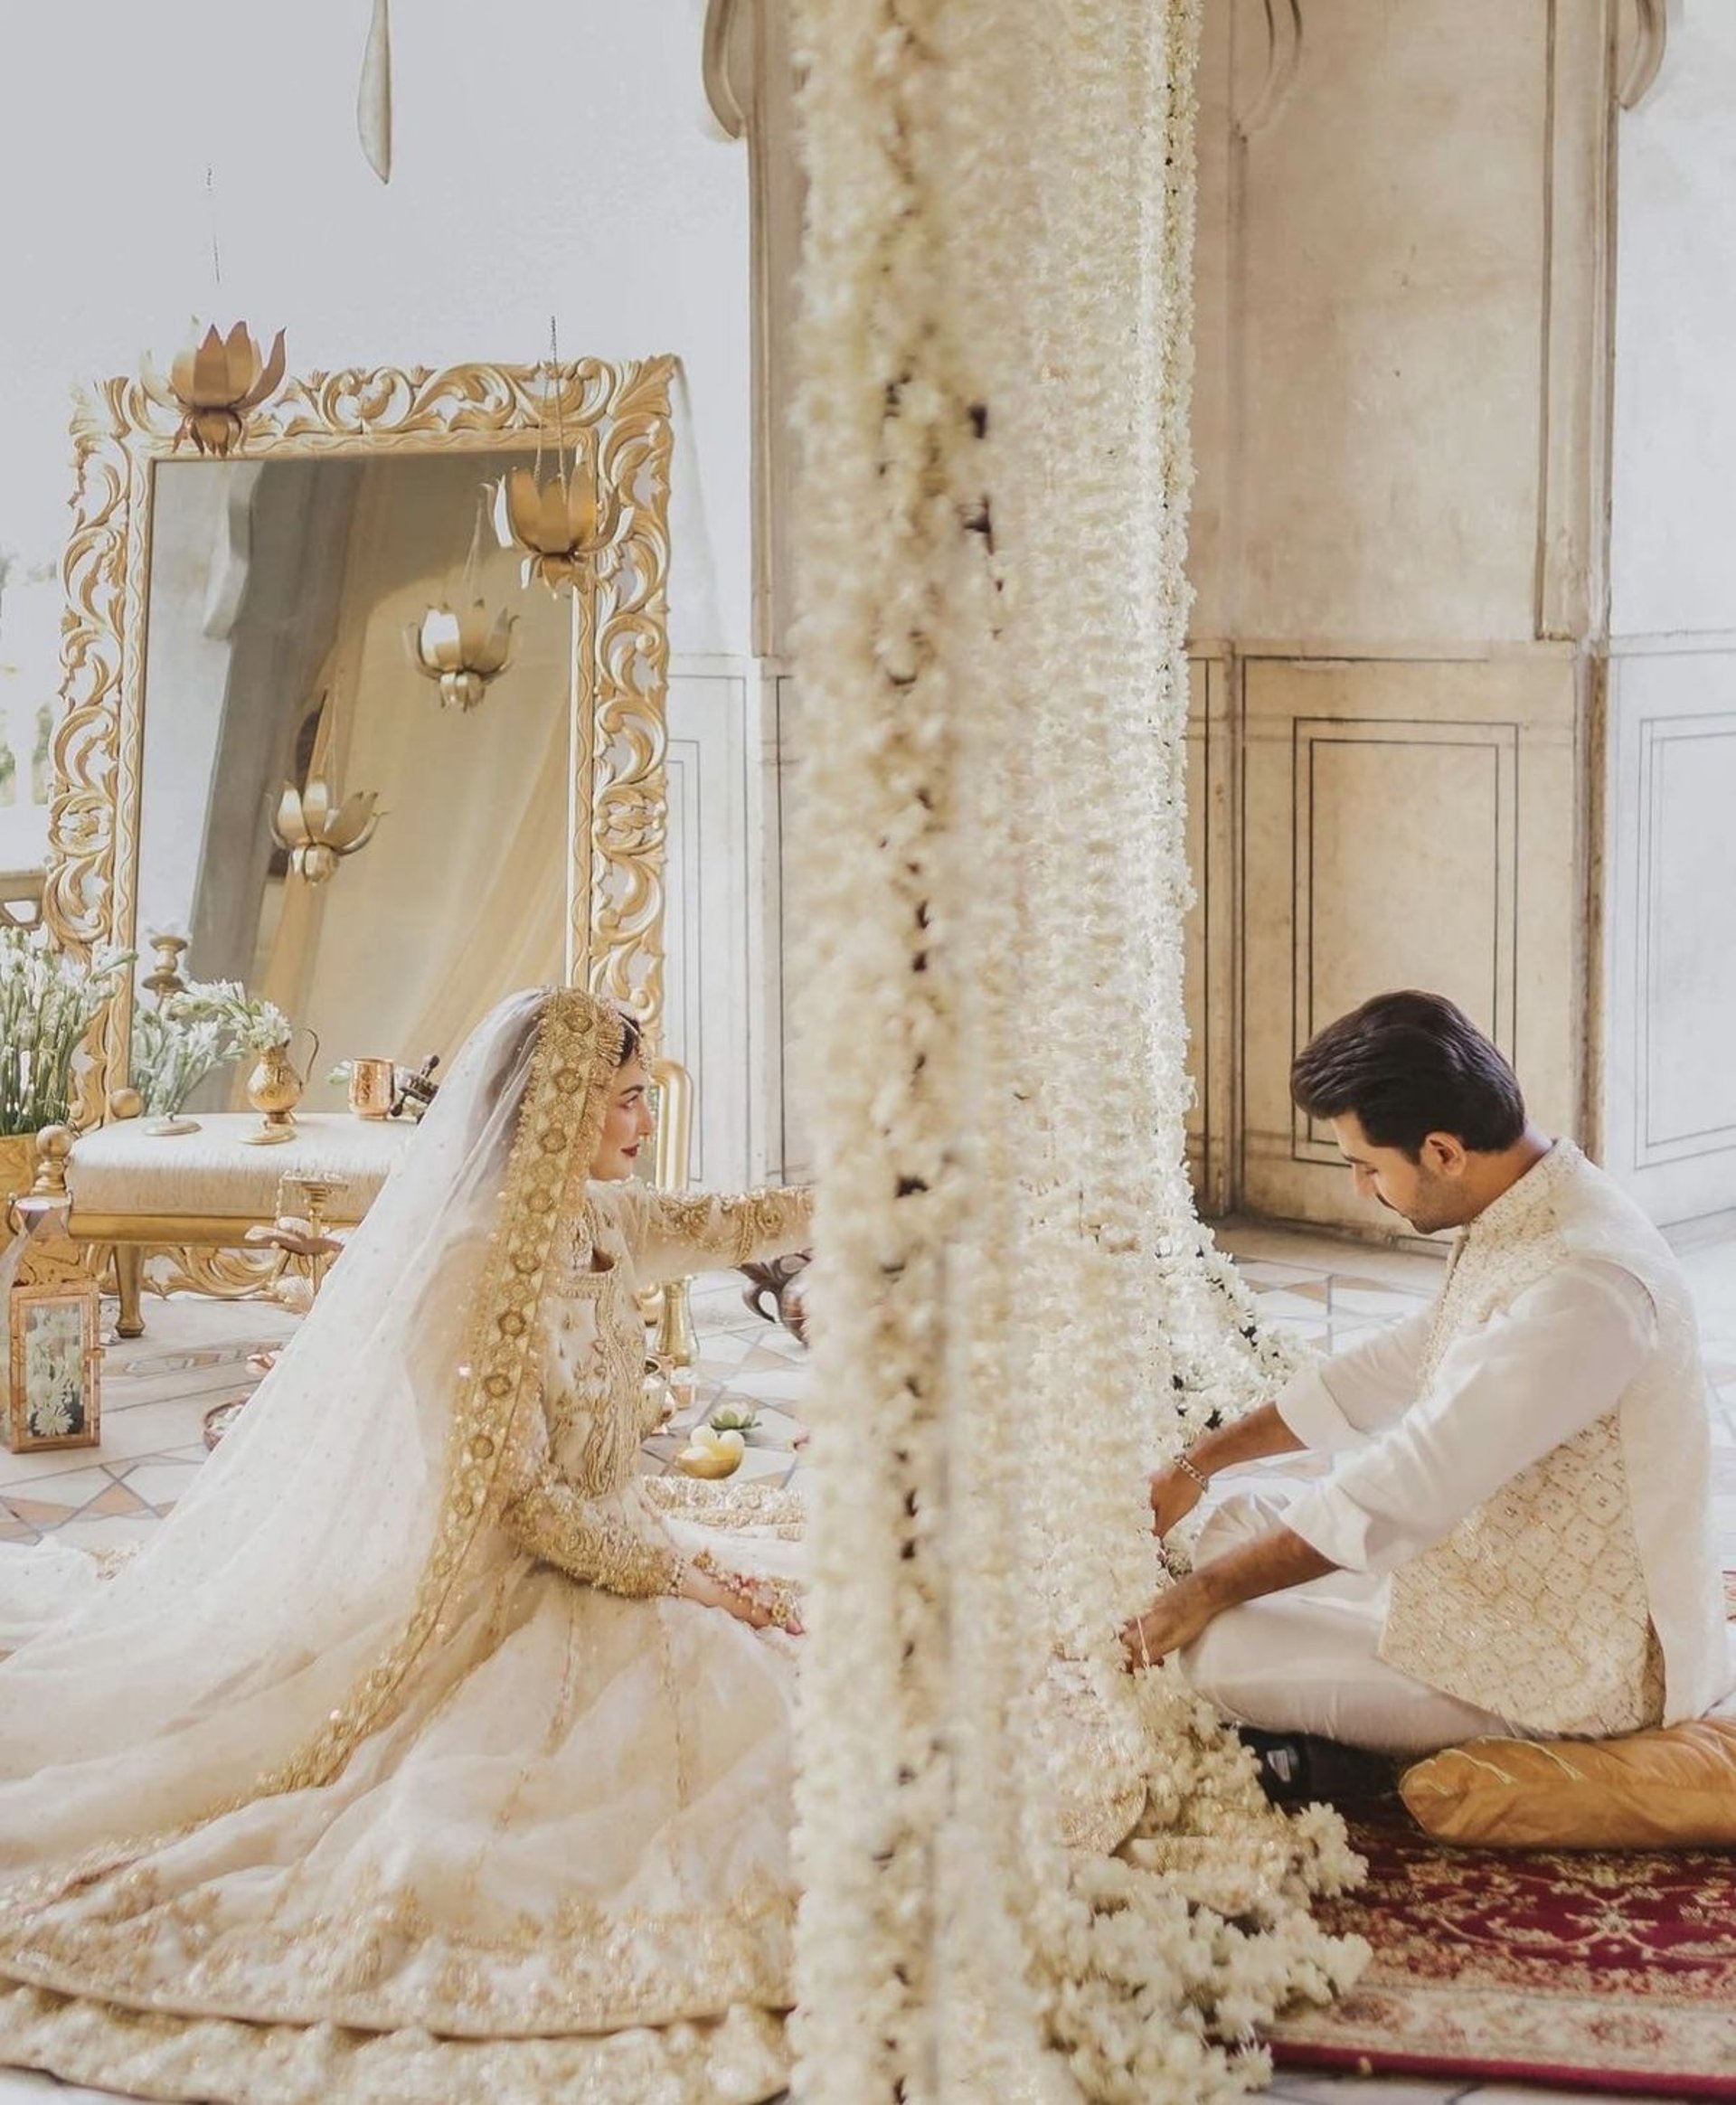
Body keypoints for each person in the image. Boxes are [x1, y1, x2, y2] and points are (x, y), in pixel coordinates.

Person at [0, 986, 813, 2104]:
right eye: (624, 1099)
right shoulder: (473, 1264)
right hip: (518, 1583)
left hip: (624, 1534)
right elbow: (527, 1508)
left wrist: (870, 1196)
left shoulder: (599, 1217)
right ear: (557, 1105)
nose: (643, 1120)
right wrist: (693, 1579)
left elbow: (729, 1223)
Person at [1121, 989, 1732, 1758]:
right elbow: (1403, 1360)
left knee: (1216, 1651)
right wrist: (1198, 1463)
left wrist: (1202, 1596)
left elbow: (1411, 1482)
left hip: (1575, 1665)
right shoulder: (1531, 1201)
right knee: (1238, 1523)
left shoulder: (1587, 1287)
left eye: (1366, 1167)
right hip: (1491, 1572)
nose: (1361, 1188)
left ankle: (1402, 1753)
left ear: (1443, 1151)